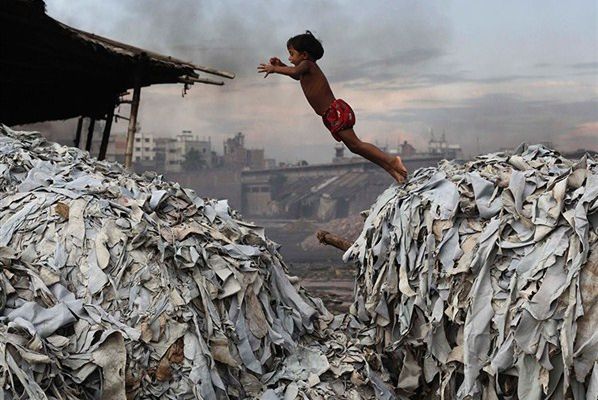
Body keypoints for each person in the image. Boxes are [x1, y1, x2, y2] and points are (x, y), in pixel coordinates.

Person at [257, 30, 408, 183]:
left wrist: (275, 69)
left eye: (291, 54)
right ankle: (394, 171)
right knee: (354, 147)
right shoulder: (304, 69)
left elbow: (295, 70)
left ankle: (392, 161)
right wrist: (281, 66)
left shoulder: (307, 65)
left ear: (304, 55)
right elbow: (296, 75)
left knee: (357, 144)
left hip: (335, 112)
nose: (289, 58)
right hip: (329, 116)